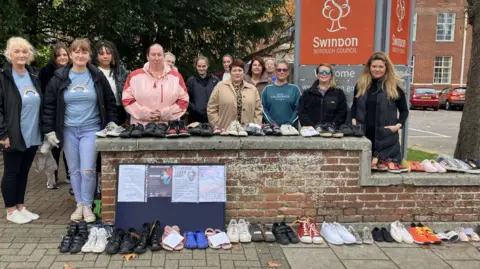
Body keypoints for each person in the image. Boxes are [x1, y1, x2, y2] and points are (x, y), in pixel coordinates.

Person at [43, 38, 117, 222]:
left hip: (90, 130)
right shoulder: (59, 77)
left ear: (89, 55)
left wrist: (112, 122)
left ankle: (88, 204)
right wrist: (49, 131)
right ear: (70, 54)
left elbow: (109, 102)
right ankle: (79, 205)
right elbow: (49, 106)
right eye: (76, 51)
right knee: (74, 171)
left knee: (88, 170)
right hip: (68, 130)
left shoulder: (97, 76)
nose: (80, 55)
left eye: (84, 52)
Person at [0, 37, 42, 224]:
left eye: (24, 51)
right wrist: (3, 134)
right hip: (14, 134)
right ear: (9, 54)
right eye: (17, 51)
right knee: (11, 172)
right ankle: (10, 211)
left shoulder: (32, 74)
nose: (21, 55)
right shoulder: (3, 76)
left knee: (24, 171)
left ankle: (20, 206)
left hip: (32, 133)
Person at [351, 52, 409, 168]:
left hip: (386, 140)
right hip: (363, 135)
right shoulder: (361, 85)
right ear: (369, 67)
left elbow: (404, 111)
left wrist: (398, 126)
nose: (377, 69)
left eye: (381, 67)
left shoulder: (394, 87)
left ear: (386, 68)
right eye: (374, 66)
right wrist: (353, 120)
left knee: (385, 175)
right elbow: (354, 106)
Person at [122, 44, 189, 126]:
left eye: (159, 55)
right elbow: (127, 100)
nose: (156, 58)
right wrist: (146, 114)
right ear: (147, 57)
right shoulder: (134, 76)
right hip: (140, 129)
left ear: (163, 57)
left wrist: (163, 114)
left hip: (169, 129)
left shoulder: (176, 77)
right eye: (153, 55)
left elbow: (183, 101)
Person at [39, 43, 70, 188]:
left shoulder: (72, 70)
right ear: (55, 57)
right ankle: (52, 177)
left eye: (65, 55)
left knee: (68, 147)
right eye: (60, 55)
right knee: (55, 147)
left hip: (68, 113)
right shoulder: (47, 72)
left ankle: (69, 174)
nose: (63, 57)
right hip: (55, 112)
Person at [207, 59, 262, 129]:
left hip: (247, 132)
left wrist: (255, 126)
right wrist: (217, 124)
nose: (237, 73)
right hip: (225, 131)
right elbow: (211, 107)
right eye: (234, 70)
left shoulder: (253, 89)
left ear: (244, 72)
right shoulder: (220, 86)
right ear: (230, 72)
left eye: (240, 70)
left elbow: (258, 110)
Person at [298, 63, 347, 135]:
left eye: (327, 72)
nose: (324, 74)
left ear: (331, 75)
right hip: (312, 133)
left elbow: (342, 113)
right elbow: (302, 113)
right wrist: (314, 128)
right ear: (317, 74)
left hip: (332, 133)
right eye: (321, 72)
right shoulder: (307, 93)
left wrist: (333, 126)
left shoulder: (338, 93)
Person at [92, 40, 129, 125]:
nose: (105, 56)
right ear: (96, 57)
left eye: (108, 53)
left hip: (121, 111)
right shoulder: (93, 73)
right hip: (102, 112)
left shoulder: (122, 72)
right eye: (101, 54)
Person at [261, 60, 301, 126]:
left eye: (284, 70)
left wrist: (289, 124)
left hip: (290, 131)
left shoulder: (295, 89)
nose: (281, 72)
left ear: (288, 72)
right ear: (275, 72)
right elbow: (263, 109)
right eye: (279, 70)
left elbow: (299, 110)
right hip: (272, 131)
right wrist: (272, 124)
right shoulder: (267, 89)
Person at [186, 56, 220, 123]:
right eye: (199, 66)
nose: (201, 69)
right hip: (195, 119)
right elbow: (186, 99)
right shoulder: (190, 81)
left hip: (212, 119)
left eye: (204, 66)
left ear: (207, 66)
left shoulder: (215, 80)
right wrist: (194, 109)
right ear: (196, 66)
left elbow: (220, 98)